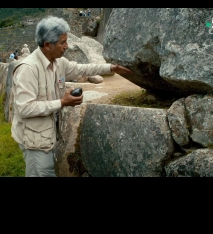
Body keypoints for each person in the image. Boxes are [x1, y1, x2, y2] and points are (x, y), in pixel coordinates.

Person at [11, 15, 132, 177]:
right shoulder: (28, 69)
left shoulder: (58, 63)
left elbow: (82, 69)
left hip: (46, 135)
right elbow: (25, 108)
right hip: (34, 140)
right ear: (47, 45)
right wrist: (62, 102)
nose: (67, 46)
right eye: (63, 42)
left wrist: (111, 68)